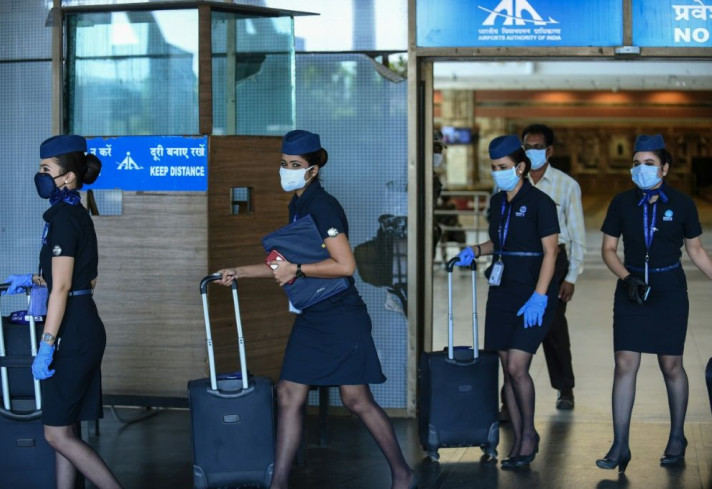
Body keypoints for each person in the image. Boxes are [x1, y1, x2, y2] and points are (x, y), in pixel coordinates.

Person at [213, 130, 416, 489]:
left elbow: (345, 265)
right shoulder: (298, 204)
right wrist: (240, 271)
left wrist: (299, 270)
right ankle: (278, 484)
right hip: (314, 316)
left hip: (340, 316)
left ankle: (403, 474)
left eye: (295, 165)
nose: (286, 170)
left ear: (313, 170)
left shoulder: (323, 206)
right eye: (283, 163)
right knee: (289, 394)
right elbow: (286, 263)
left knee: (356, 400)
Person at [4, 135, 123, 489]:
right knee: (66, 428)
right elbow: (83, 277)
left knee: (57, 435)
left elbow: (62, 287)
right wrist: (33, 279)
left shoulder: (65, 219)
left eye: (46, 170)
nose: (39, 175)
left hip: (72, 331)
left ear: (68, 176)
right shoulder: (71, 214)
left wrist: (47, 344)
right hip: (81, 322)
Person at [597, 134, 712, 473]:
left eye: (648, 163)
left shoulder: (683, 203)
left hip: (669, 289)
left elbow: (696, 251)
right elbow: (607, 249)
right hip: (632, 288)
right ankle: (620, 444)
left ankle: (677, 437)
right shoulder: (621, 203)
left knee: (671, 366)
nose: (641, 169)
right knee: (624, 364)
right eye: (636, 164)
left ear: (664, 167)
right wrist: (626, 278)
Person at [456, 134, 559, 468]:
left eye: (502, 167)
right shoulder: (498, 202)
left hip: (532, 293)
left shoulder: (542, 203)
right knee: (505, 366)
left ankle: (528, 435)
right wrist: (476, 250)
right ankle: (518, 434)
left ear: (520, 167)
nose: (497, 172)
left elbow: (550, 252)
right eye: (493, 167)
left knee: (518, 366)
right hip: (501, 293)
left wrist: (540, 296)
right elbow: (499, 242)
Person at [522, 123, 586, 410]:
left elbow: (577, 235)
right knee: (514, 329)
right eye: (527, 146)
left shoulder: (567, 185)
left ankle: (565, 389)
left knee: (553, 328)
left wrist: (571, 276)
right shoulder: (512, 181)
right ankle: (509, 398)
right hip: (520, 259)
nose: (531, 151)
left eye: (537, 147)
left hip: (555, 260)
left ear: (550, 150)